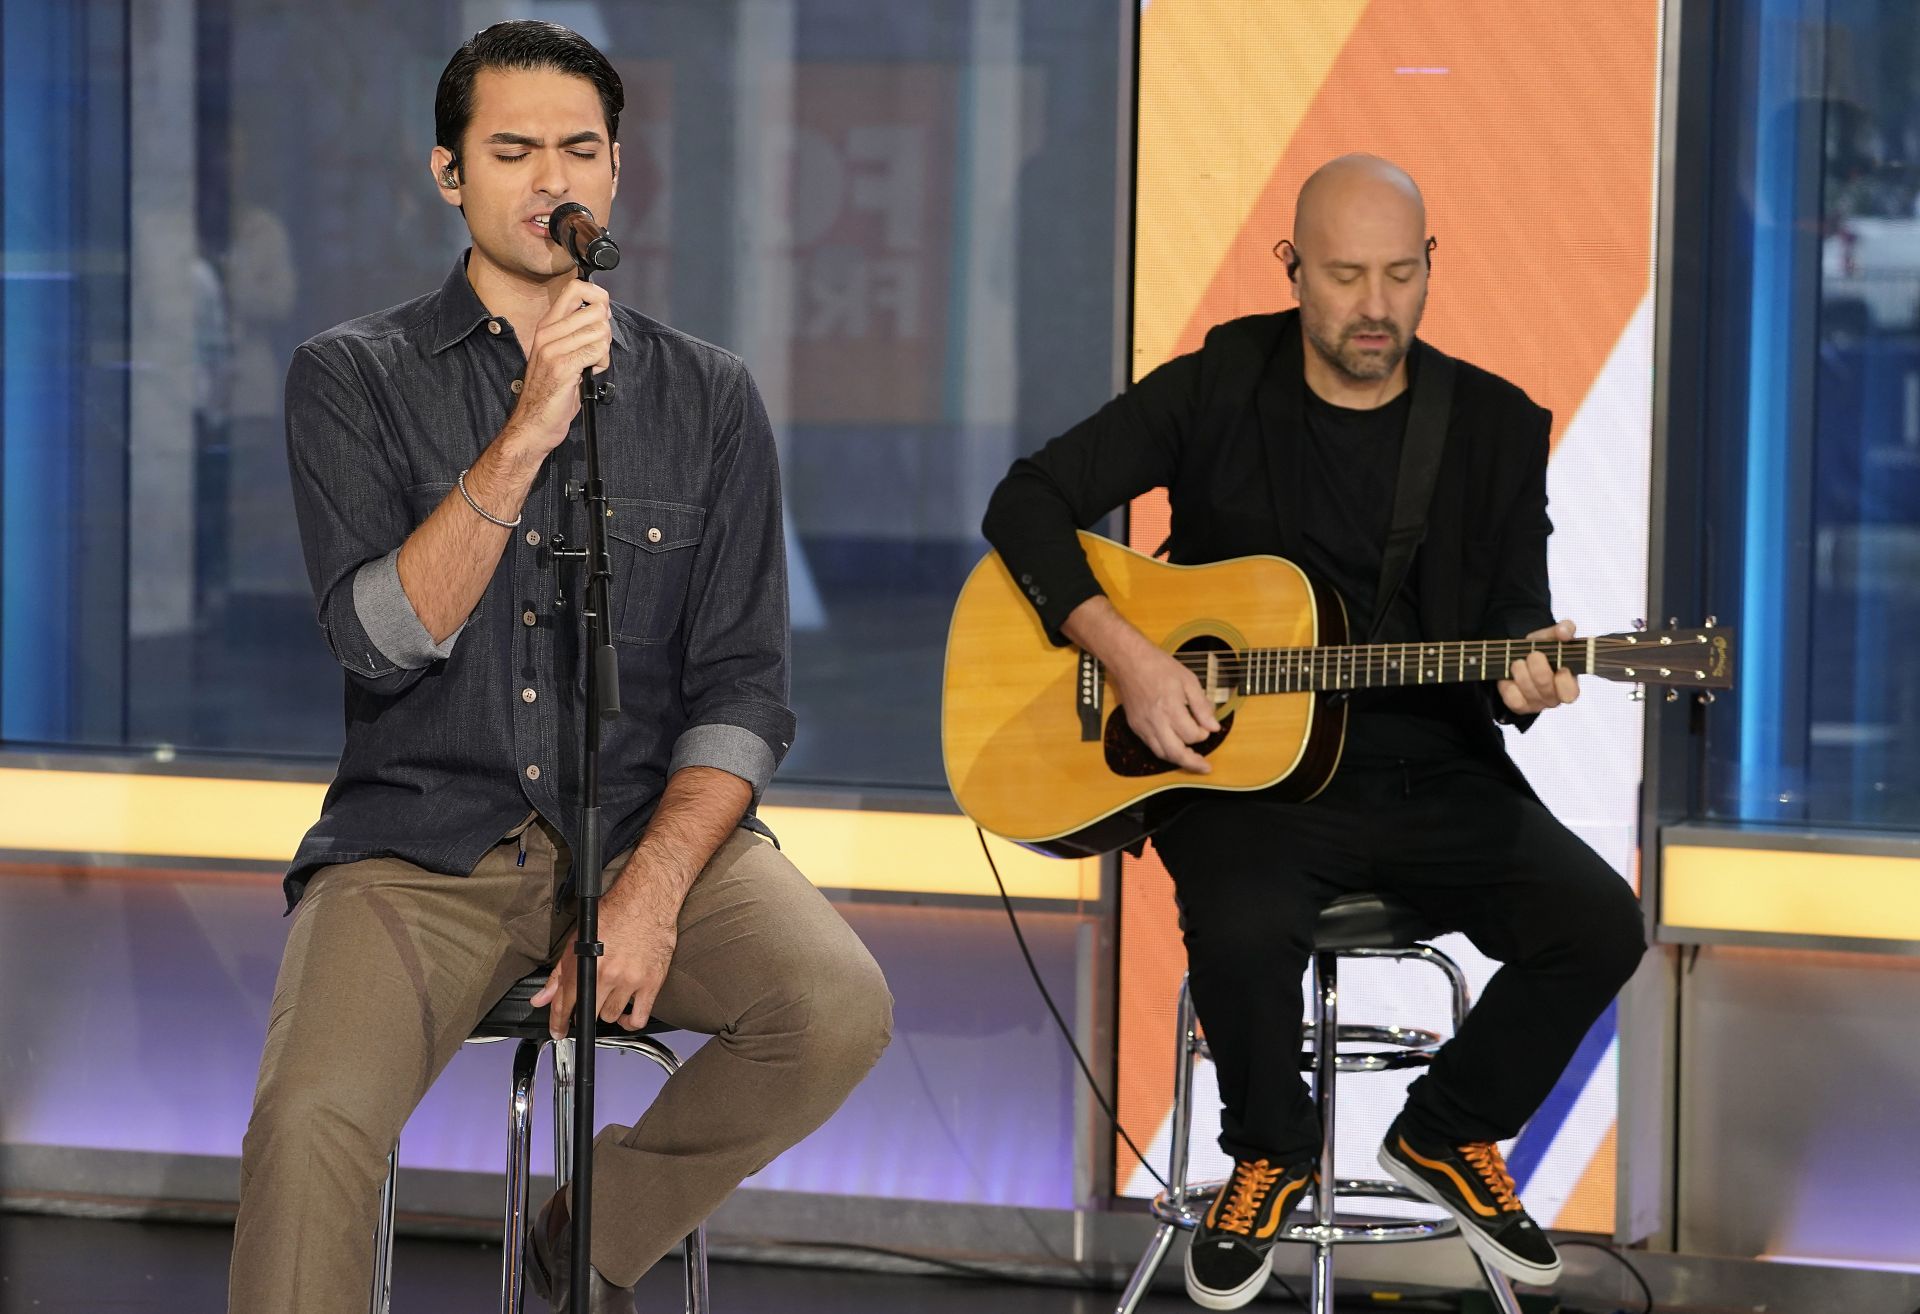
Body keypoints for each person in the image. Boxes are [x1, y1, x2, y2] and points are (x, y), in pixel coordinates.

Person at [228, 22, 891, 1313]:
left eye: (578, 150)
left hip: (646, 829)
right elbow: (377, 634)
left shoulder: (708, 397)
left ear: (618, 171)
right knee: (311, 1122)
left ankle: (581, 1236)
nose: (551, 182)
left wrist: (647, 886)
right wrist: (529, 426)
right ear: (448, 174)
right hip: (420, 846)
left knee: (833, 1004)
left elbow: (746, 692)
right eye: (513, 150)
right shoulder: (351, 376)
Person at [981, 154, 1645, 1309]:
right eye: (1344, 276)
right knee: (1240, 920)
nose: (1376, 306)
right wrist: (1130, 657)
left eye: (1400, 274)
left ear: (1432, 265)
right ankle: (1270, 1155)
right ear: (1291, 269)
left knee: (1599, 924)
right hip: (1246, 785)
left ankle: (1447, 1130)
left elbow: (1506, 624)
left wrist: (1523, 678)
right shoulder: (1219, 385)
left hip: (1432, 772)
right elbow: (1027, 500)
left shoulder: (1490, 426)